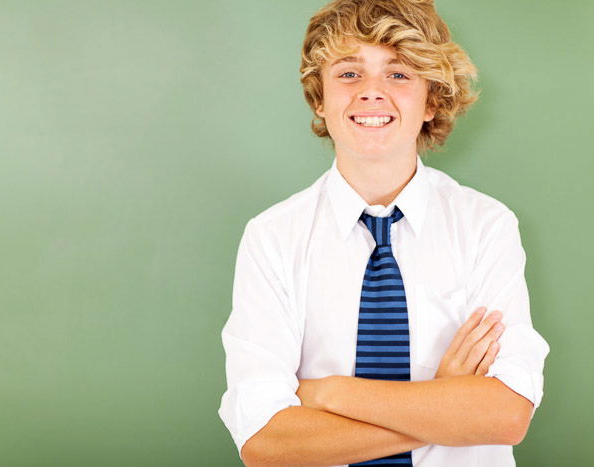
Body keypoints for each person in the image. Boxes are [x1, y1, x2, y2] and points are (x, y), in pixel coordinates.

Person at [217, 0, 550, 465]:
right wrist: (443, 404)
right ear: (319, 98)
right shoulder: (272, 238)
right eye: (349, 73)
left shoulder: (485, 227)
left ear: (431, 100)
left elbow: (505, 415)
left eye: (398, 74)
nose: (371, 92)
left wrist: (327, 393)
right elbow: (266, 442)